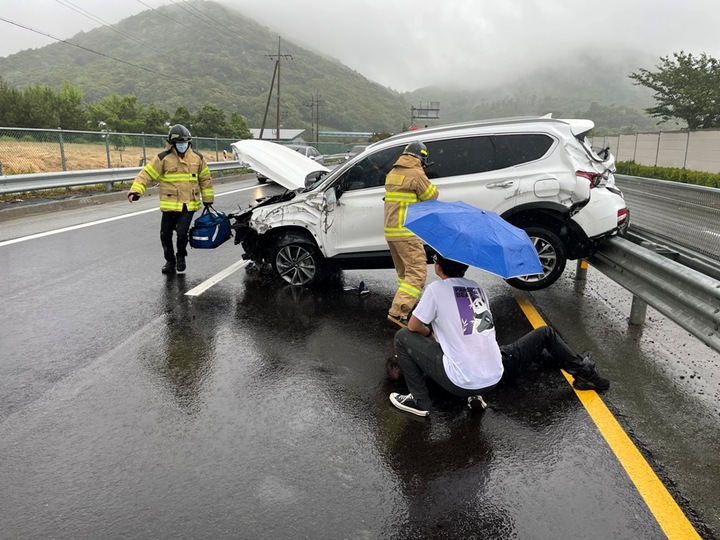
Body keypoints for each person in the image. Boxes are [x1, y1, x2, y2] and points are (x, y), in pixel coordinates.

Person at [388, 253, 610, 417]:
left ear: (438, 266)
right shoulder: (477, 288)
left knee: (402, 336)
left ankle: (420, 403)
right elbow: (479, 328)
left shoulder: (436, 290)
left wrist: (431, 334)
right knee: (545, 334)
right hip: (496, 372)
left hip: (462, 381)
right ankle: (582, 369)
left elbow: (413, 326)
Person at [128, 124, 214, 274]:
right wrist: (136, 191)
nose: (183, 146)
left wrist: (208, 200)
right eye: (179, 143)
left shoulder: (198, 158)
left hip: (189, 204)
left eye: (185, 143)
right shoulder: (163, 158)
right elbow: (146, 175)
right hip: (170, 204)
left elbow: (205, 179)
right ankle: (170, 261)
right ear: (172, 144)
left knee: (182, 232)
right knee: (165, 234)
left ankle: (181, 255)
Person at [384, 141, 439, 328]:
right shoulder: (416, 173)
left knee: (405, 274)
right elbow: (432, 196)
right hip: (407, 232)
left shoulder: (393, 173)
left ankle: (406, 306)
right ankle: (399, 312)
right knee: (417, 272)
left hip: (391, 232)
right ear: (421, 158)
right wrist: (426, 177)